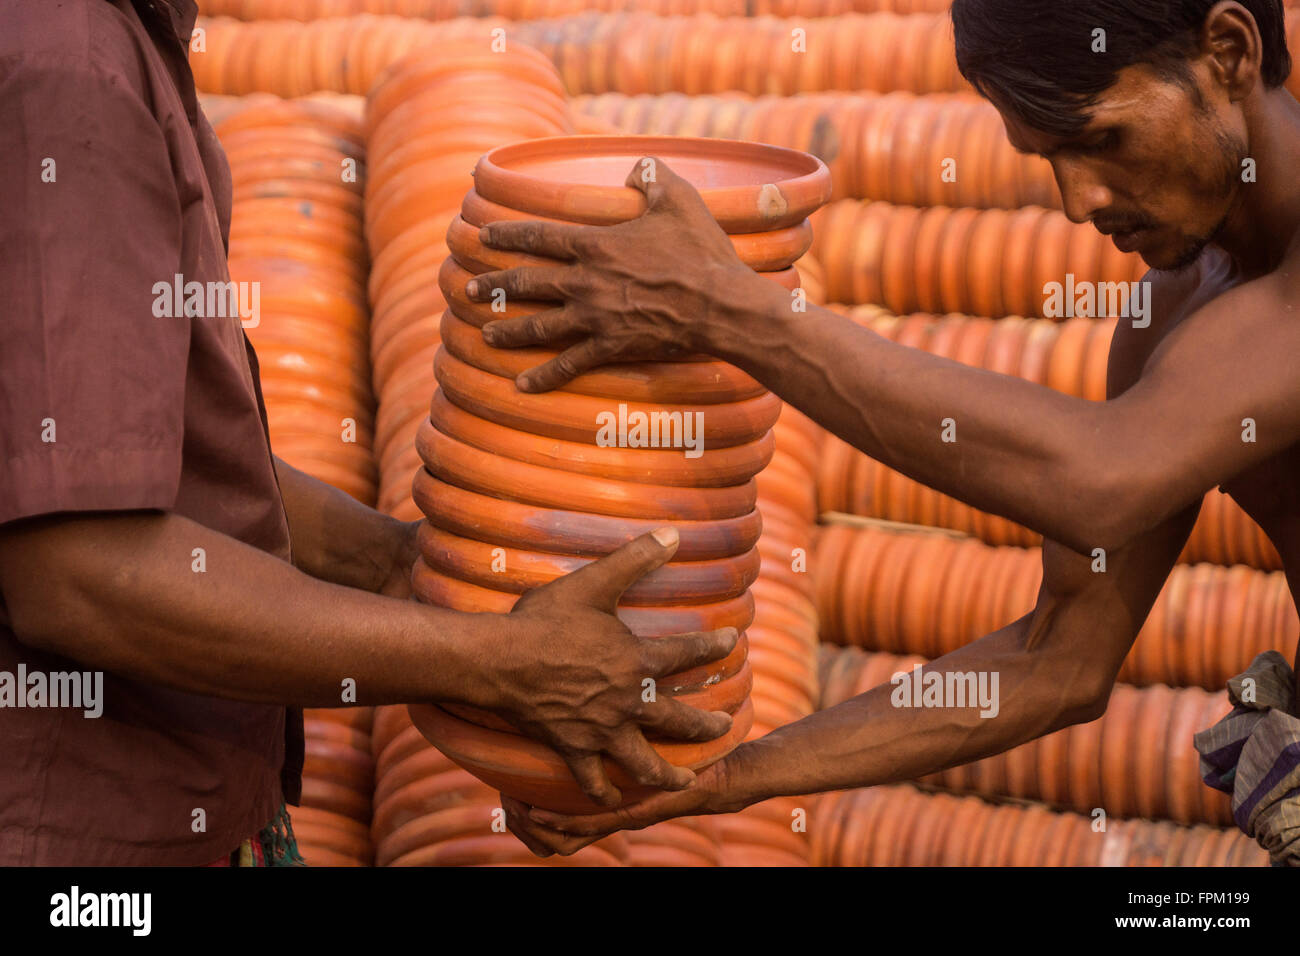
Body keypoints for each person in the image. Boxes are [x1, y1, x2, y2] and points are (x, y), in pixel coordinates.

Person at [471, 0, 1300, 864]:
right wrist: (722, 779)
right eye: (1048, 157)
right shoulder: (1176, 311)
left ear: (1230, 51)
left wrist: (737, 314)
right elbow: (1057, 662)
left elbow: (1100, 479)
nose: (1077, 200)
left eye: (1104, 140)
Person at [0, 0, 736, 865]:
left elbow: (138, 457)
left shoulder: (106, 40)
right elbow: (80, 566)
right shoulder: (69, 62)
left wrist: (399, 563)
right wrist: (498, 663)